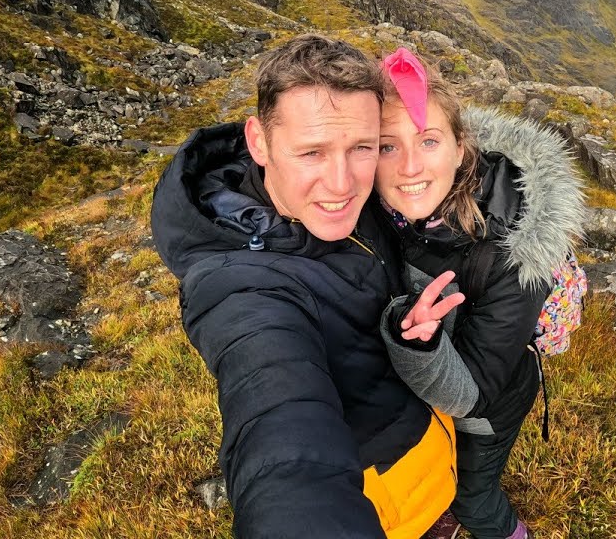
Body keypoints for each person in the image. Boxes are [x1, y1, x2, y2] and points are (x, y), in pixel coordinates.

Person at [150, 35, 459, 538]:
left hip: (432, 449)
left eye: (361, 147)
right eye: (312, 152)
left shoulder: (363, 191)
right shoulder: (238, 287)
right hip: (384, 502)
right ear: (259, 142)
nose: (342, 184)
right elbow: (281, 427)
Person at [374, 48, 587, 539]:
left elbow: (470, 394)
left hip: (488, 406)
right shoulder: (381, 209)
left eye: (428, 140)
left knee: (474, 498)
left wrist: (417, 344)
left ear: (460, 145)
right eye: (388, 146)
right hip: (423, 401)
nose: (408, 166)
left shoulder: (512, 252)